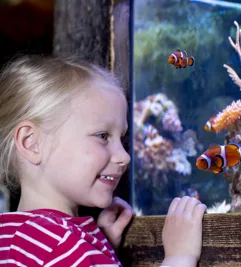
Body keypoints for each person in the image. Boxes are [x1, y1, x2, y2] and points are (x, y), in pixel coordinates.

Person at [0, 55, 207, 267]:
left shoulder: (11, 239)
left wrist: (100, 248)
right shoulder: (66, 247)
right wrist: (179, 256)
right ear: (31, 143)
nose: (125, 157)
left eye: (122, 139)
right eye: (102, 136)